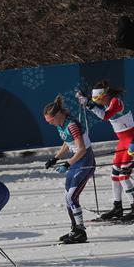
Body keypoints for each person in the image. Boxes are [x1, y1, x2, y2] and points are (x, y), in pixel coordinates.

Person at [77, 81, 134, 222]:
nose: (99, 102)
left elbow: (105, 116)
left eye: (99, 99)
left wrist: (89, 104)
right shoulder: (107, 102)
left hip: (132, 141)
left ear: (105, 95)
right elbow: (100, 110)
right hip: (122, 142)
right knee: (114, 174)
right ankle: (117, 207)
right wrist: (87, 102)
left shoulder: (115, 102)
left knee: (123, 176)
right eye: (97, 100)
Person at [44, 95, 94, 243]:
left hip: (84, 161)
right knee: (67, 198)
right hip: (76, 161)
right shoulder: (61, 124)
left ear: (57, 115)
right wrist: (55, 158)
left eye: (50, 121)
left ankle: (81, 232)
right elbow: (67, 142)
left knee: (71, 197)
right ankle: (75, 229)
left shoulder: (72, 124)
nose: (50, 124)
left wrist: (67, 164)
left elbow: (82, 149)